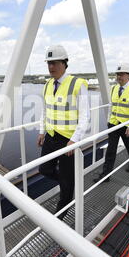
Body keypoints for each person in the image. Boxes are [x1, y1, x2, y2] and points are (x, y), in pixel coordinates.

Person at [37, 45, 90, 219]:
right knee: (44, 169)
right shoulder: (47, 85)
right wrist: (41, 131)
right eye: (49, 63)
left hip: (68, 140)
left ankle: (61, 213)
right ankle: (68, 183)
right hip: (51, 136)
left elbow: (85, 116)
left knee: (67, 180)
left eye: (55, 63)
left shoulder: (77, 84)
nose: (51, 67)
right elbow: (45, 110)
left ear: (65, 63)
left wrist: (75, 140)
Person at [94, 63, 129, 183]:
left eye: (121, 74)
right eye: (117, 74)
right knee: (111, 149)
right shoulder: (114, 88)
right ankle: (106, 175)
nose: (119, 77)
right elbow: (112, 106)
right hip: (114, 124)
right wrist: (109, 121)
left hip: (127, 126)